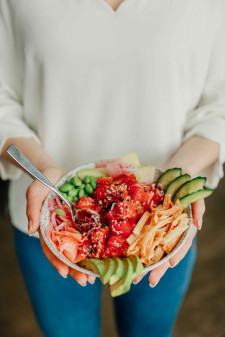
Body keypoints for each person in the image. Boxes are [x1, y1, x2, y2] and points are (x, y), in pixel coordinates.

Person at [0, 0, 225, 336]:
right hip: (46, 212)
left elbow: (218, 105)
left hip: (164, 221)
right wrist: (43, 167)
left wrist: (177, 180)